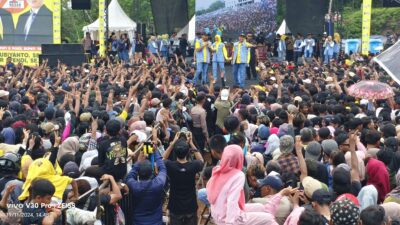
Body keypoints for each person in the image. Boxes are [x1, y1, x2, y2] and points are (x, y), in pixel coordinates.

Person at [163, 134, 204, 225]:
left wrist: (172, 144)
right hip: (191, 205)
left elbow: (163, 159)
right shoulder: (193, 165)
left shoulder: (171, 165)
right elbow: (201, 160)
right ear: (188, 152)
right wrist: (192, 144)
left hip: (175, 206)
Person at [126, 136, 167, 225]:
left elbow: (129, 177)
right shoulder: (158, 183)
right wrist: (155, 152)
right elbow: (162, 169)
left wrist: (138, 162)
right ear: (152, 172)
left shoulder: (134, 185)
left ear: (138, 173)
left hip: (138, 222)